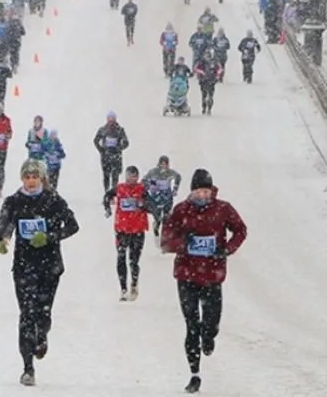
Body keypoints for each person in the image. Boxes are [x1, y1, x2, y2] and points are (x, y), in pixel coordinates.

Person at [0, 158, 80, 386]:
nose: (30, 181)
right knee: (26, 315)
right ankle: (28, 367)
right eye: (27, 177)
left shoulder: (53, 200)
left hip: (49, 265)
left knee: (43, 313)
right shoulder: (14, 201)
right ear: (22, 179)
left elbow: (72, 226)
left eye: (34, 177)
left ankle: (42, 335)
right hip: (23, 265)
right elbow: (3, 223)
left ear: (42, 178)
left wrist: (49, 236)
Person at [161, 169, 248, 394]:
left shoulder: (223, 209)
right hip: (186, 274)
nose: (202, 195)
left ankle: (209, 336)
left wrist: (226, 249)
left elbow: (240, 230)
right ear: (192, 191)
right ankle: (194, 374)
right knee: (191, 325)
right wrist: (183, 243)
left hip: (212, 275)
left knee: (210, 323)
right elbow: (166, 239)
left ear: (211, 191)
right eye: (198, 190)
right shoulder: (181, 210)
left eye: (205, 190)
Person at [103, 166, 148, 301]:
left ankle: (134, 282)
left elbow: (151, 205)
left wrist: (143, 205)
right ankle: (123, 289)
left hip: (138, 230)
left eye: (134, 176)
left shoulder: (142, 189)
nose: (131, 179)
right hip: (122, 229)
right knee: (121, 257)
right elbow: (107, 196)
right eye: (129, 176)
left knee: (134, 261)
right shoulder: (120, 188)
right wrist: (108, 208)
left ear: (138, 177)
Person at [141, 156, 181, 246]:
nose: (163, 166)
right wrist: (150, 186)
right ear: (158, 164)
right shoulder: (153, 172)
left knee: (166, 218)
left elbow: (178, 177)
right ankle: (156, 225)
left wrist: (175, 188)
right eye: (162, 164)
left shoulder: (170, 172)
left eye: (165, 164)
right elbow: (143, 181)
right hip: (156, 197)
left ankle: (165, 240)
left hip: (167, 196)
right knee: (158, 216)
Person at [92, 111, 129, 191]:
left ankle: (113, 193)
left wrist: (119, 148)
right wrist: (101, 150)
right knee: (106, 176)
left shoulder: (120, 130)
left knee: (115, 176)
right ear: (107, 119)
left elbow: (126, 142)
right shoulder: (102, 129)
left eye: (113, 118)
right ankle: (106, 192)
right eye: (109, 118)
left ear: (115, 119)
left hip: (116, 157)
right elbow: (95, 140)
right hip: (106, 157)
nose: (111, 120)